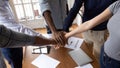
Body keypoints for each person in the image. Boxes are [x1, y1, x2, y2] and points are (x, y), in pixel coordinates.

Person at [0, 0, 56, 68]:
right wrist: (50, 41)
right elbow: (18, 31)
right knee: (15, 62)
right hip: (8, 41)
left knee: (19, 59)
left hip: (11, 37)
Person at [65, 0, 120, 68]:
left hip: (101, 32)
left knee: (97, 59)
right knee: (86, 53)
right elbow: (75, 10)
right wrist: (65, 30)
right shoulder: (118, 4)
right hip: (86, 30)